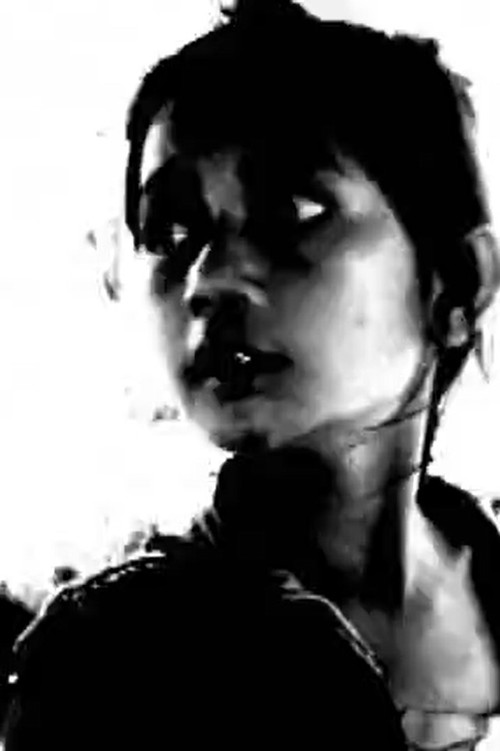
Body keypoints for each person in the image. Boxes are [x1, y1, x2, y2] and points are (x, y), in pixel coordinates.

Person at [3, 1, 500, 748]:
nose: (208, 279)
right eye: (171, 231)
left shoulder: (490, 575)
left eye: (292, 211)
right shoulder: (114, 662)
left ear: (456, 283)